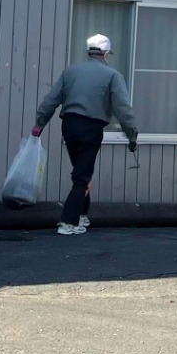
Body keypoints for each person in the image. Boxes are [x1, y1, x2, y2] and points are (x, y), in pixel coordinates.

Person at [32, 32, 138, 236]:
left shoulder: (70, 71)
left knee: (81, 170)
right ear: (105, 54)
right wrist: (132, 136)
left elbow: (51, 100)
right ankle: (68, 222)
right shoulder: (112, 75)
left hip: (69, 125)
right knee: (82, 175)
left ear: (89, 53)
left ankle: (81, 215)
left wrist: (39, 124)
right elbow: (123, 110)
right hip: (92, 127)